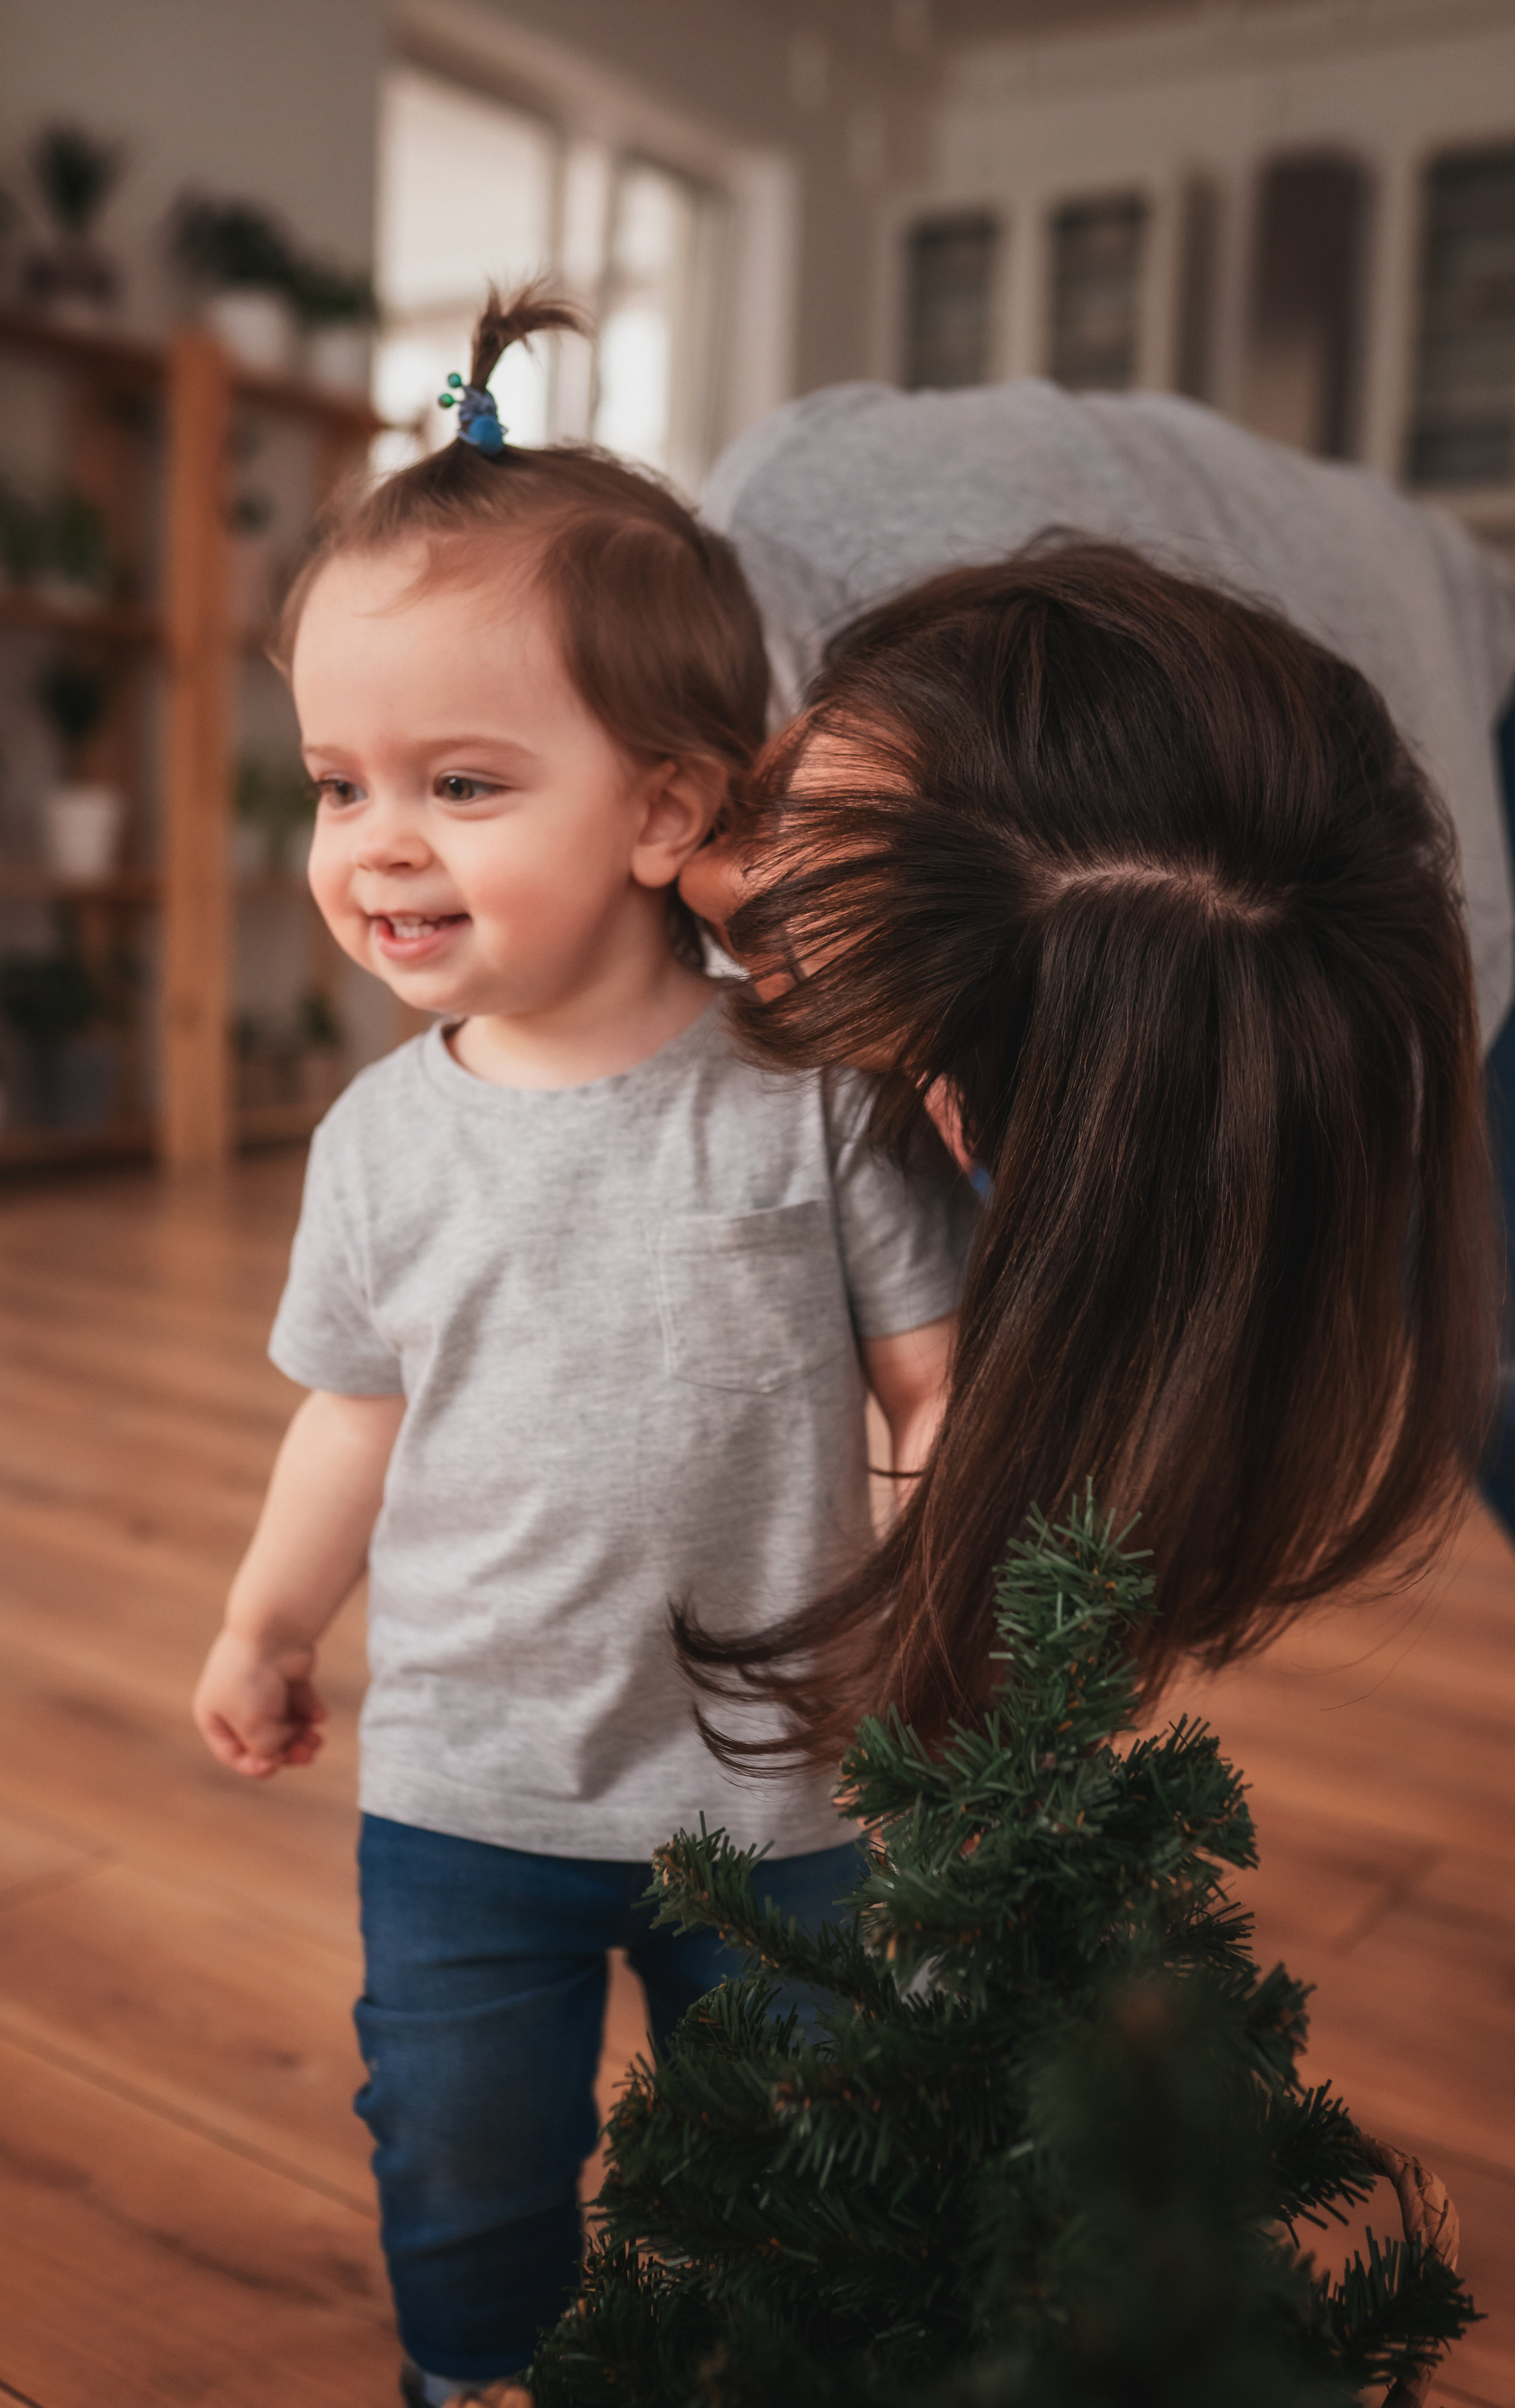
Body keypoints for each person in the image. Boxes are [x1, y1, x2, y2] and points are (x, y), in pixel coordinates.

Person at [189, 291, 976, 2405]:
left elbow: (934, 1379)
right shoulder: (375, 1142)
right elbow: (350, 1412)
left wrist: (925, 1612)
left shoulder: (817, 1096)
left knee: (798, 2160)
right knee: (459, 2160)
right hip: (468, 1793)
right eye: (337, 783)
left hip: (780, 1788)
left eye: (460, 781)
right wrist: (271, 1621)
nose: (376, 846)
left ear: (663, 812)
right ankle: (473, 2377)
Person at [695, 378, 1515, 1687]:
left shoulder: (1429, 985)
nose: (700, 883)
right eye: (769, 799)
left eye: (787, 951)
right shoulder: (775, 534)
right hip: (1149, 573)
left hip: (1447, 643)